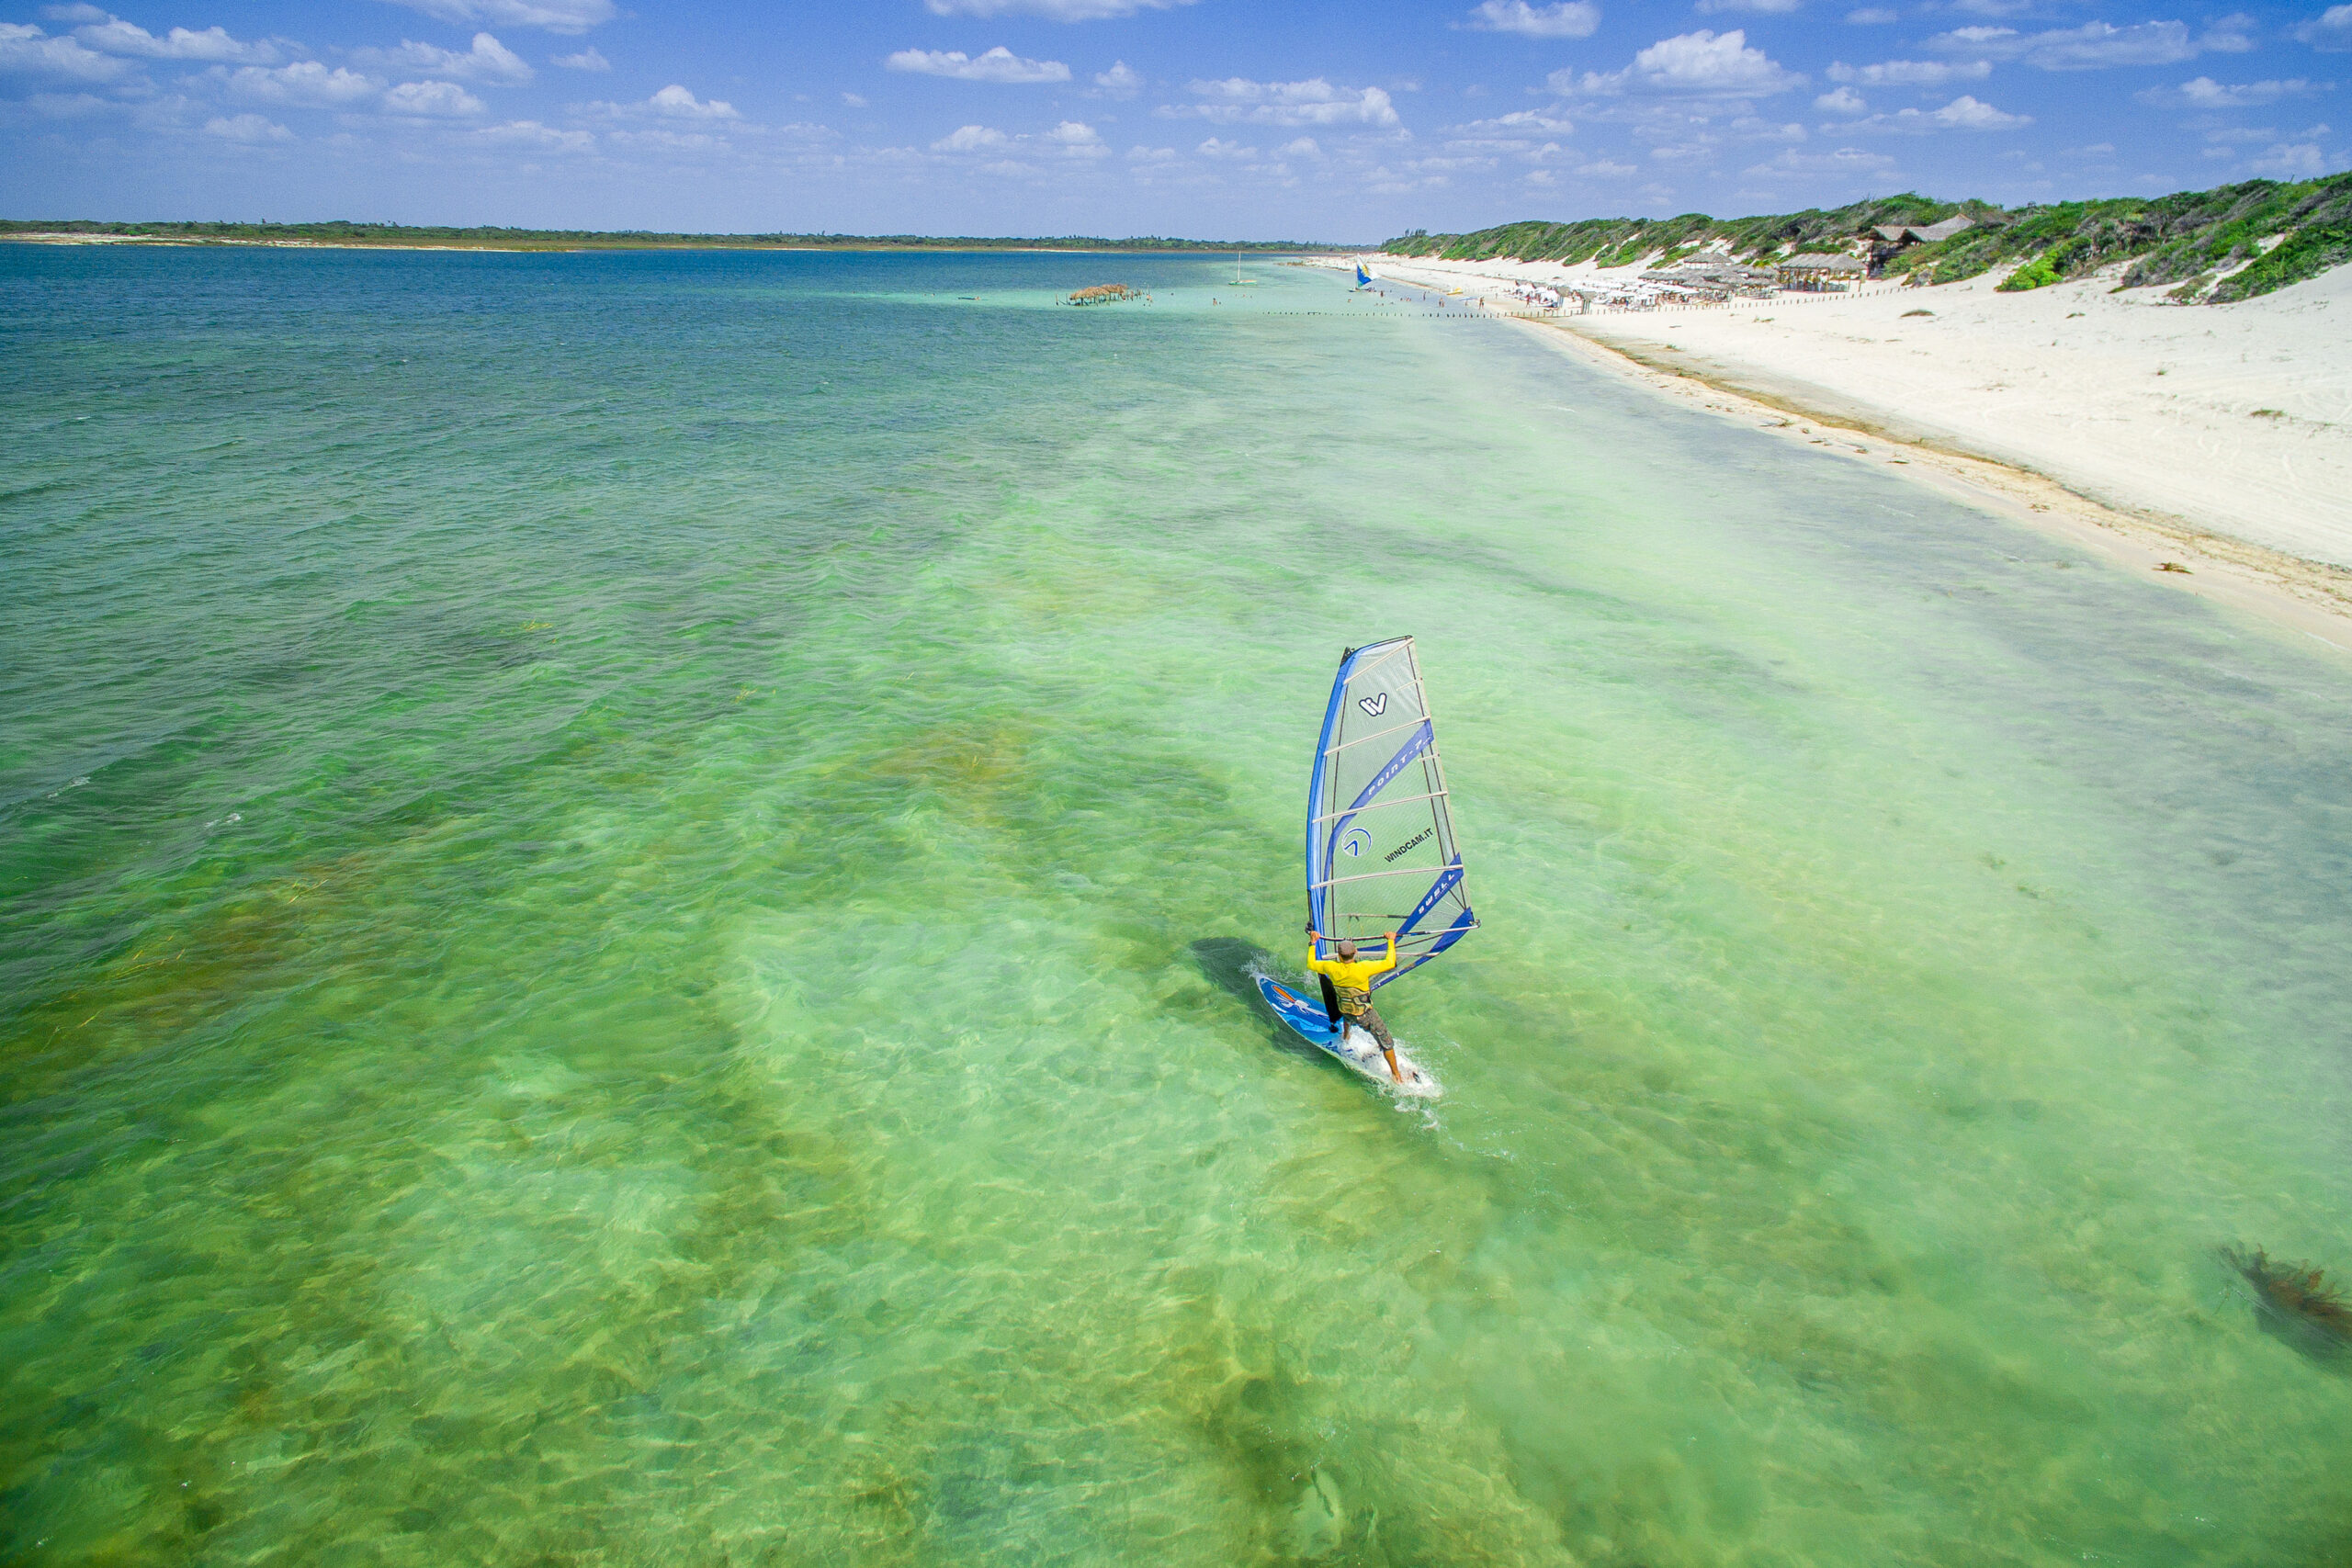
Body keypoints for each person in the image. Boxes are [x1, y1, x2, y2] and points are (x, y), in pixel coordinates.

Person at [1304, 923, 1403, 1082]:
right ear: (1355, 953)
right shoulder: (1364, 967)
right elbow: (1390, 963)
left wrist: (1313, 943)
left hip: (1344, 1010)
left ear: (1339, 955)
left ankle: (1346, 1036)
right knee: (1387, 1042)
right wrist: (1390, 941)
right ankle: (1396, 1075)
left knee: (1347, 1011)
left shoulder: (1331, 967)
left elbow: (1311, 964)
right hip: (1365, 1014)